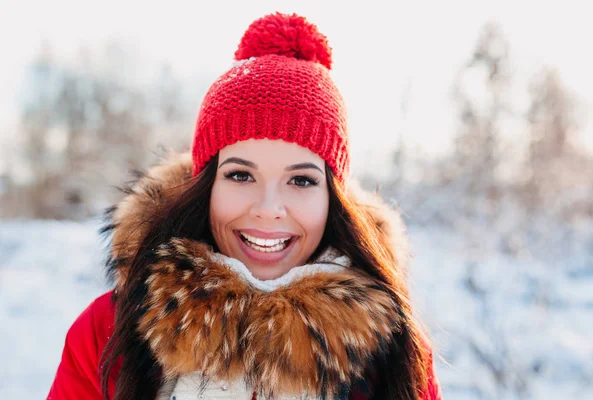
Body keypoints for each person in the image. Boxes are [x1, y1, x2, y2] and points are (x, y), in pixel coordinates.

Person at [47, 12, 442, 400]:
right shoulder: (107, 331)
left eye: (301, 180)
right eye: (241, 175)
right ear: (206, 186)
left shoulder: (395, 352)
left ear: (333, 200)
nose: (268, 208)